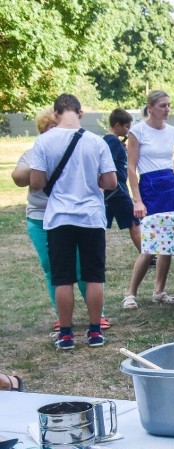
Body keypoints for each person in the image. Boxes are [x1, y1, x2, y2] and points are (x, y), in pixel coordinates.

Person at [29, 94, 117, 350]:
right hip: (91, 217)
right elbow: (110, 182)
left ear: (56, 114)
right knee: (93, 276)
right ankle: (95, 332)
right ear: (80, 113)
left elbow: (36, 183)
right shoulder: (96, 141)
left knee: (63, 278)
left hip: (58, 218)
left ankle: (66, 334)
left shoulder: (43, 141)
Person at [123, 90, 174, 309]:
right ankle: (130, 293)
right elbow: (131, 168)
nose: (167, 109)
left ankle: (159, 290)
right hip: (149, 187)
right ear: (150, 108)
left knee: (168, 242)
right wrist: (137, 200)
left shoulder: (172, 131)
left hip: (171, 185)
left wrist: (173, 164)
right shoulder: (138, 132)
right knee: (150, 243)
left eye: (169, 105)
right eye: (162, 105)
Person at [103, 108, 141, 252]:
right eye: (126, 127)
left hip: (112, 190)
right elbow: (108, 165)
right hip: (117, 190)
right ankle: (147, 256)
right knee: (133, 221)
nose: (128, 130)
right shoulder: (112, 142)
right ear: (117, 125)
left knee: (102, 225)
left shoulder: (112, 141)